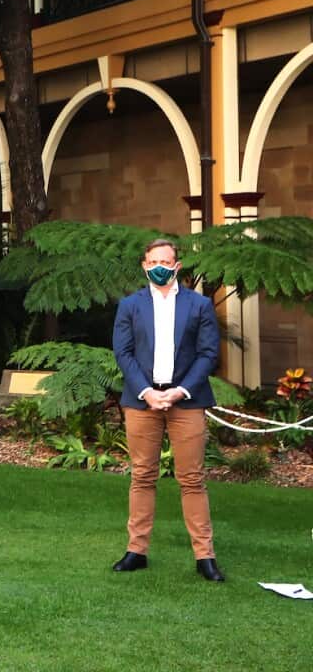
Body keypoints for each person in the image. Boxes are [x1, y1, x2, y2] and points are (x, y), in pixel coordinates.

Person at [111, 239, 224, 581]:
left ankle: (205, 556)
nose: (160, 265)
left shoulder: (199, 305)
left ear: (177, 266)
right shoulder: (129, 305)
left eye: (167, 260)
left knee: (192, 478)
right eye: (153, 260)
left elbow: (208, 353)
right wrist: (146, 391)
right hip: (142, 401)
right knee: (142, 475)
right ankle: (136, 551)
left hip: (187, 400)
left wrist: (179, 391)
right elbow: (123, 352)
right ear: (144, 266)